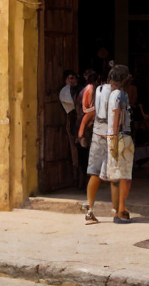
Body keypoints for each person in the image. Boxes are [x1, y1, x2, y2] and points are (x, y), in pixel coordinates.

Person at [100, 64, 135, 224]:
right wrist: (114, 137)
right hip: (121, 137)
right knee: (124, 176)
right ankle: (121, 209)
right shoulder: (120, 95)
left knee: (120, 175)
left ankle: (120, 208)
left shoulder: (111, 94)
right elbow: (117, 114)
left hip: (115, 136)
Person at [79, 70, 110, 223]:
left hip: (97, 134)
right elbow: (86, 112)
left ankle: (90, 208)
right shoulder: (98, 91)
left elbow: (86, 114)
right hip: (107, 136)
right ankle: (119, 209)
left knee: (95, 173)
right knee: (115, 176)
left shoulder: (95, 91)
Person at [58, 69, 82, 173]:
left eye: (73, 78)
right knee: (74, 148)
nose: (72, 81)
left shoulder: (79, 90)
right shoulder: (65, 92)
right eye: (69, 78)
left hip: (80, 119)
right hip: (72, 119)